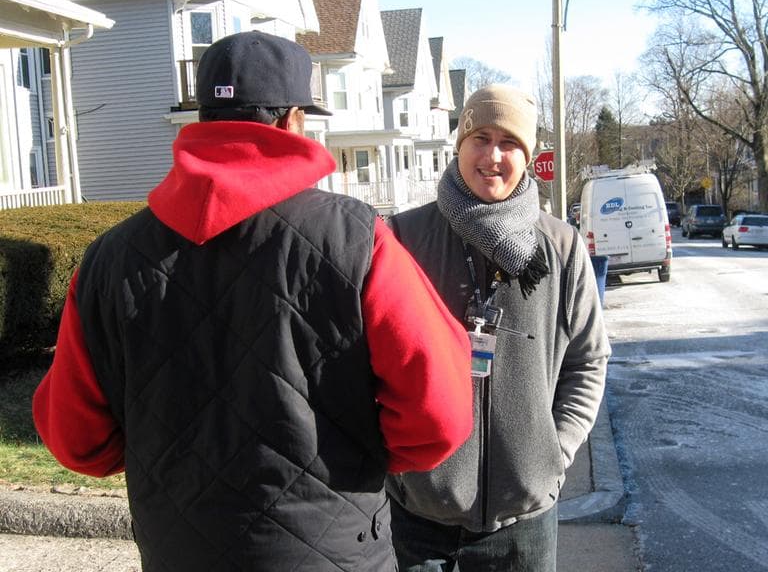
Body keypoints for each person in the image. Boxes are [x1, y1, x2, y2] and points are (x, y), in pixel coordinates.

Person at [33, 31, 473, 572]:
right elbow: (441, 415)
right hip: (333, 550)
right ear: (293, 120)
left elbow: (76, 438)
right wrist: (363, 455)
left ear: (202, 120)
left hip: (178, 548)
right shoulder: (357, 239)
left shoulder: (110, 258)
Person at [386, 84, 611, 572]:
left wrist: (556, 450)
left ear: (527, 156)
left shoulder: (562, 247)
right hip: (421, 513)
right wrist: (400, 465)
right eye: (480, 138)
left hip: (523, 521)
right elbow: (371, 362)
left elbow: (588, 359)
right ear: (459, 145)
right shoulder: (402, 239)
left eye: (509, 142)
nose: (493, 155)